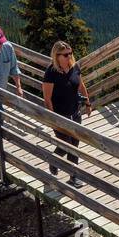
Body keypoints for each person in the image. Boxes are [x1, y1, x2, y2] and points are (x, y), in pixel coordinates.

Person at [42, 41, 92, 184]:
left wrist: (88, 103)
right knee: (66, 145)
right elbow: (47, 98)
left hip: (75, 113)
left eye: (70, 53)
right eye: (65, 54)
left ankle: (73, 177)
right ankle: (54, 160)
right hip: (60, 115)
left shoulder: (75, 66)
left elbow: (81, 86)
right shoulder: (51, 72)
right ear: (56, 56)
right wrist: (53, 118)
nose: (69, 56)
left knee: (74, 146)